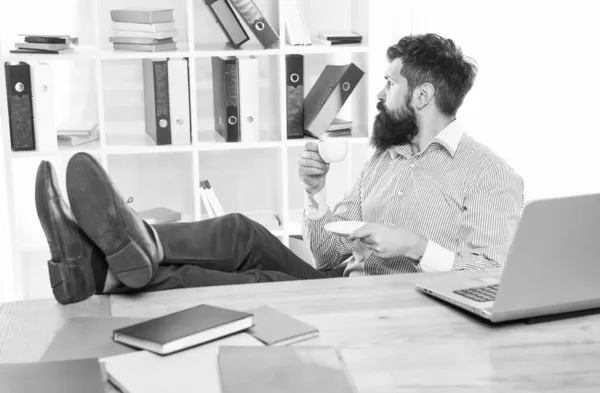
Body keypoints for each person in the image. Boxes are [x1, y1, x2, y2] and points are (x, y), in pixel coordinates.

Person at [35, 33, 523, 305]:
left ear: (421, 96)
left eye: (389, 83)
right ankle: (128, 250)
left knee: (258, 285)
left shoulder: (488, 175)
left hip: (393, 306)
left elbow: (494, 277)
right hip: (344, 286)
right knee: (243, 232)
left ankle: (97, 267)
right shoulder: (385, 159)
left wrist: (415, 247)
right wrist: (316, 192)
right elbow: (327, 253)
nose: (378, 93)